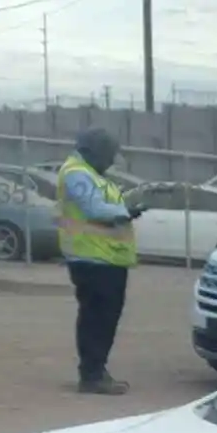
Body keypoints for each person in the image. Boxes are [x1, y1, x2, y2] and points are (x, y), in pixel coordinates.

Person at [56, 127, 141, 395]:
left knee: (102, 317)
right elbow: (93, 209)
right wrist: (125, 211)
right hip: (93, 258)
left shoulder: (91, 174)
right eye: (108, 156)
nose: (111, 162)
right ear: (96, 152)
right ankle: (92, 374)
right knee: (98, 318)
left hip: (104, 257)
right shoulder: (77, 173)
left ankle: (96, 370)